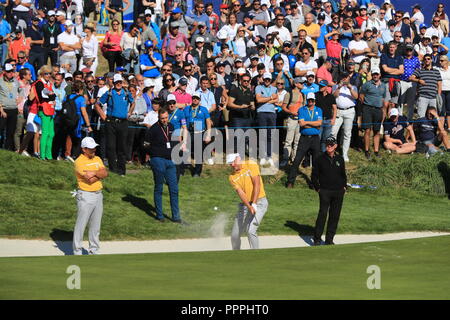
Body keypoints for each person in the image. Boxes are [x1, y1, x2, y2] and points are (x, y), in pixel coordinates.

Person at [144, 108, 182, 223]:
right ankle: (159, 215)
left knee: (174, 189)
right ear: (158, 118)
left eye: (166, 118)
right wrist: (154, 154)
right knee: (159, 187)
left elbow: (175, 141)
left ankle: (176, 216)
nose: (165, 120)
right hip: (158, 159)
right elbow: (146, 145)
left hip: (170, 160)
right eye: (162, 118)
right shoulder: (153, 129)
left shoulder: (171, 127)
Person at [73, 136, 108, 255]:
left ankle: (94, 249)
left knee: (96, 225)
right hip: (85, 195)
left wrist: (93, 173)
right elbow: (89, 180)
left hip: (98, 195)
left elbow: (105, 173)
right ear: (84, 149)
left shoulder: (98, 158)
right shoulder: (79, 162)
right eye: (91, 148)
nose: (94, 150)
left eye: (94, 148)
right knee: (81, 224)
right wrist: (98, 174)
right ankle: (77, 250)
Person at [226, 153, 268, 250]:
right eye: (230, 163)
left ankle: (255, 255)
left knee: (250, 230)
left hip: (260, 202)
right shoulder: (232, 177)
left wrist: (254, 203)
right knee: (234, 235)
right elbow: (241, 193)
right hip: (245, 205)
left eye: (233, 161)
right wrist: (249, 207)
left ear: (238, 159)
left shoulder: (251, 164)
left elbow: (257, 184)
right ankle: (237, 255)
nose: (232, 165)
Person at [311, 136, 347, 246]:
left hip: (338, 192)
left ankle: (329, 239)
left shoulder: (340, 159)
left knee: (335, 215)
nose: (328, 147)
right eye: (327, 145)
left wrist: (344, 186)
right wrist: (318, 188)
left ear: (335, 146)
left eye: (331, 145)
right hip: (325, 191)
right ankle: (317, 238)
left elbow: (343, 175)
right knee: (322, 214)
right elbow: (314, 176)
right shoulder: (319, 158)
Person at [97, 73, 134, 176]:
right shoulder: (109, 93)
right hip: (111, 122)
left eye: (120, 82)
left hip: (123, 122)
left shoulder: (126, 93)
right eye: (117, 82)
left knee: (122, 147)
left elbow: (133, 102)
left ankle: (122, 170)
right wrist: (103, 116)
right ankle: (113, 169)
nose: (118, 84)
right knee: (111, 146)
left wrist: (129, 112)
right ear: (113, 83)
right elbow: (98, 104)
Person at [286, 92, 322, 188]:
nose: (311, 102)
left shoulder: (319, 110)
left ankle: (315, 183)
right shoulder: (302, 109)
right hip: (304, 138)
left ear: (314, 100)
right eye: (309, 100)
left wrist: (307, 123)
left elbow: (319, 123)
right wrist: (313, 124)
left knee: (316, 162)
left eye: (312, 100)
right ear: (307, 100)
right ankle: (290, 181)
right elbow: (302, 124)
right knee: (297, 159)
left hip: (315, 138)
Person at [359, 67, 388, 160]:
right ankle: (367, 150)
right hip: (368, 108)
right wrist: (367, 103)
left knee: (377, 131)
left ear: (380, 75)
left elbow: (383, 99)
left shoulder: (383, 86)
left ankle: (376, 150)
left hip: (378, 109)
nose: (375, 76)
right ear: (371, 75)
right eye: (374, 74)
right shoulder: (367, 84)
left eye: (377, 74)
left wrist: (383, 111)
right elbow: (361, 95)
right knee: (367, 130)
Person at [331, 72, 358, 162]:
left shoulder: (353, 87)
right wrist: (339, 87)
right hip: (338, 111)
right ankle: (331, 151)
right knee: (333, 132)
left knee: (347, 133)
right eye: (343, 77)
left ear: (348, 78)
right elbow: (334, 96)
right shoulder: (335, 86)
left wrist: (350, 88)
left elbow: (356, 97)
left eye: (346, 77)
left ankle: (344, 154)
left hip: (349, 111)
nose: (344, 79)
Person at [184, 92, 212, 177]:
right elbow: (184, 120)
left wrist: (208, 134)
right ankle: (183, 169)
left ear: (199, 100)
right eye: (194, 98)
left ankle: (197, 172)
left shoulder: (203, 109)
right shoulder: (187, 109)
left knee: (198, 154)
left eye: (197, 98)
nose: (195, 100)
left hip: (199, 133)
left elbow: (208, 122)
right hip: (189, 133)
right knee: (185, 151)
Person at [409, 54, 443, 118]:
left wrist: (438, 95)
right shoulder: (420, 70)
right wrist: (419, 80)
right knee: (420, 116)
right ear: (423, 61)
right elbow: (411, 78)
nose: (427, 60)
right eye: (425, 59)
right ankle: (420, 128)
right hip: (423, 97)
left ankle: (432, 128)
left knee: (433, 116)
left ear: (431, 60)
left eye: (428, 59)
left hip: (433, 97)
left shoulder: (436, 71)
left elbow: (439, 84)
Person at [0, 63, 21, 151]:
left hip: (13, 109)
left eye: (11, 71)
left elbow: (21, 90)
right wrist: (1, 110)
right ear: (4, 72)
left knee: (11, 131)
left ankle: (6, 149)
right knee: (0, 129)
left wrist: (20, 98)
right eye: (8, 71)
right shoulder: (0, 81)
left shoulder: (15, 81)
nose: (10, 73)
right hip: (3, 109)